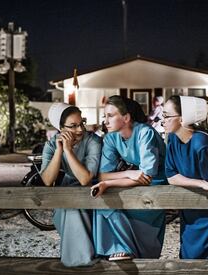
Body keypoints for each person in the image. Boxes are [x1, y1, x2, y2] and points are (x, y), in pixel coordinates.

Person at [91, 95, 166, 261]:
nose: (106, 121)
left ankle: (128, 249)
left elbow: (147, 174)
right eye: (105, 116)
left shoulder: (145, 132)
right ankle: (115, 249)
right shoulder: (111, 137)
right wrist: (127, 174)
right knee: (103, 200)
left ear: (126, 118)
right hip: (134, 178)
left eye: (110, 116)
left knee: (118, 199)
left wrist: (109, 183)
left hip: (156, 182)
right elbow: (103, 174)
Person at [162, 95, 208, 259]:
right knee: (189, 260)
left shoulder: (202, 143)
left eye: (167, 116)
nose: (163, 120)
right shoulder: (173, 139)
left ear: (182, 118)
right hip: (190, 212)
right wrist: (200, 183)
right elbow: (171, 176)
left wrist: (204, 184)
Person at [40, 103, 102, 267]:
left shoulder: (93, 140)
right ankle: (79, 261)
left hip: (92, 194)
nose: (81, 129)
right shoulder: (51, 144)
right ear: (61, 128)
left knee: (74, 207)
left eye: (82, 122)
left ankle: (79, 263)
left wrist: (68, 151)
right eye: (73, 126)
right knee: (68, 206)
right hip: (65, 196)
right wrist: (60, 150)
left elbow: (85, 179)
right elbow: (47, 180)